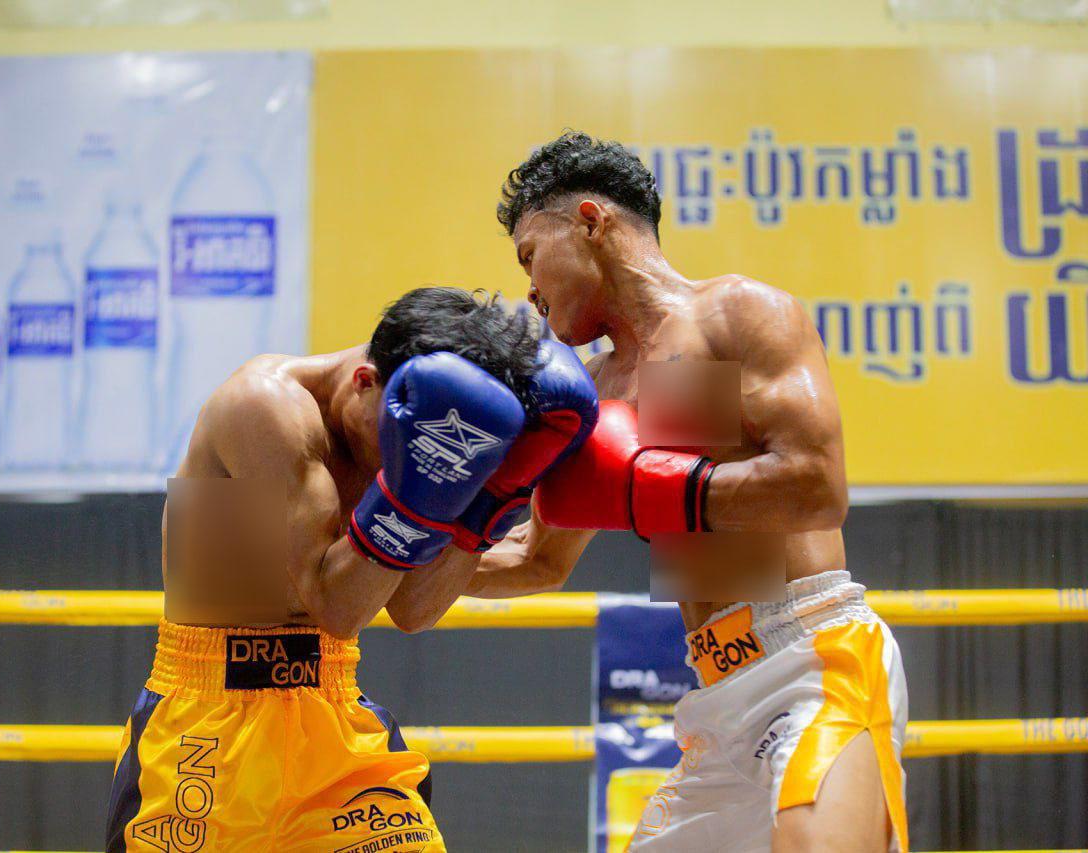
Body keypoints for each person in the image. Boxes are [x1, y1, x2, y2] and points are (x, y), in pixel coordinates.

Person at [468, 132, 910, 853]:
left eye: (529, 255)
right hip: (713, 700)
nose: (528, 289)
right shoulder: (594, 392)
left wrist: (657, 489)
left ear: (590, 222)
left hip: (812, 659)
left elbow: (815, 487)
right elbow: (535, 559)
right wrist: (406, 553)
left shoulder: (733, 315)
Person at [105, 286, 598, 852]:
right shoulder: (263, 407)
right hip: (209, 725)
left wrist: (489, 499)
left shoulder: (430, 436)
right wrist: (416, 496)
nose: (413, 457)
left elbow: (412, 610)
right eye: (403, 436)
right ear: (366, 381)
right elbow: (336, 607)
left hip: (333, 711)